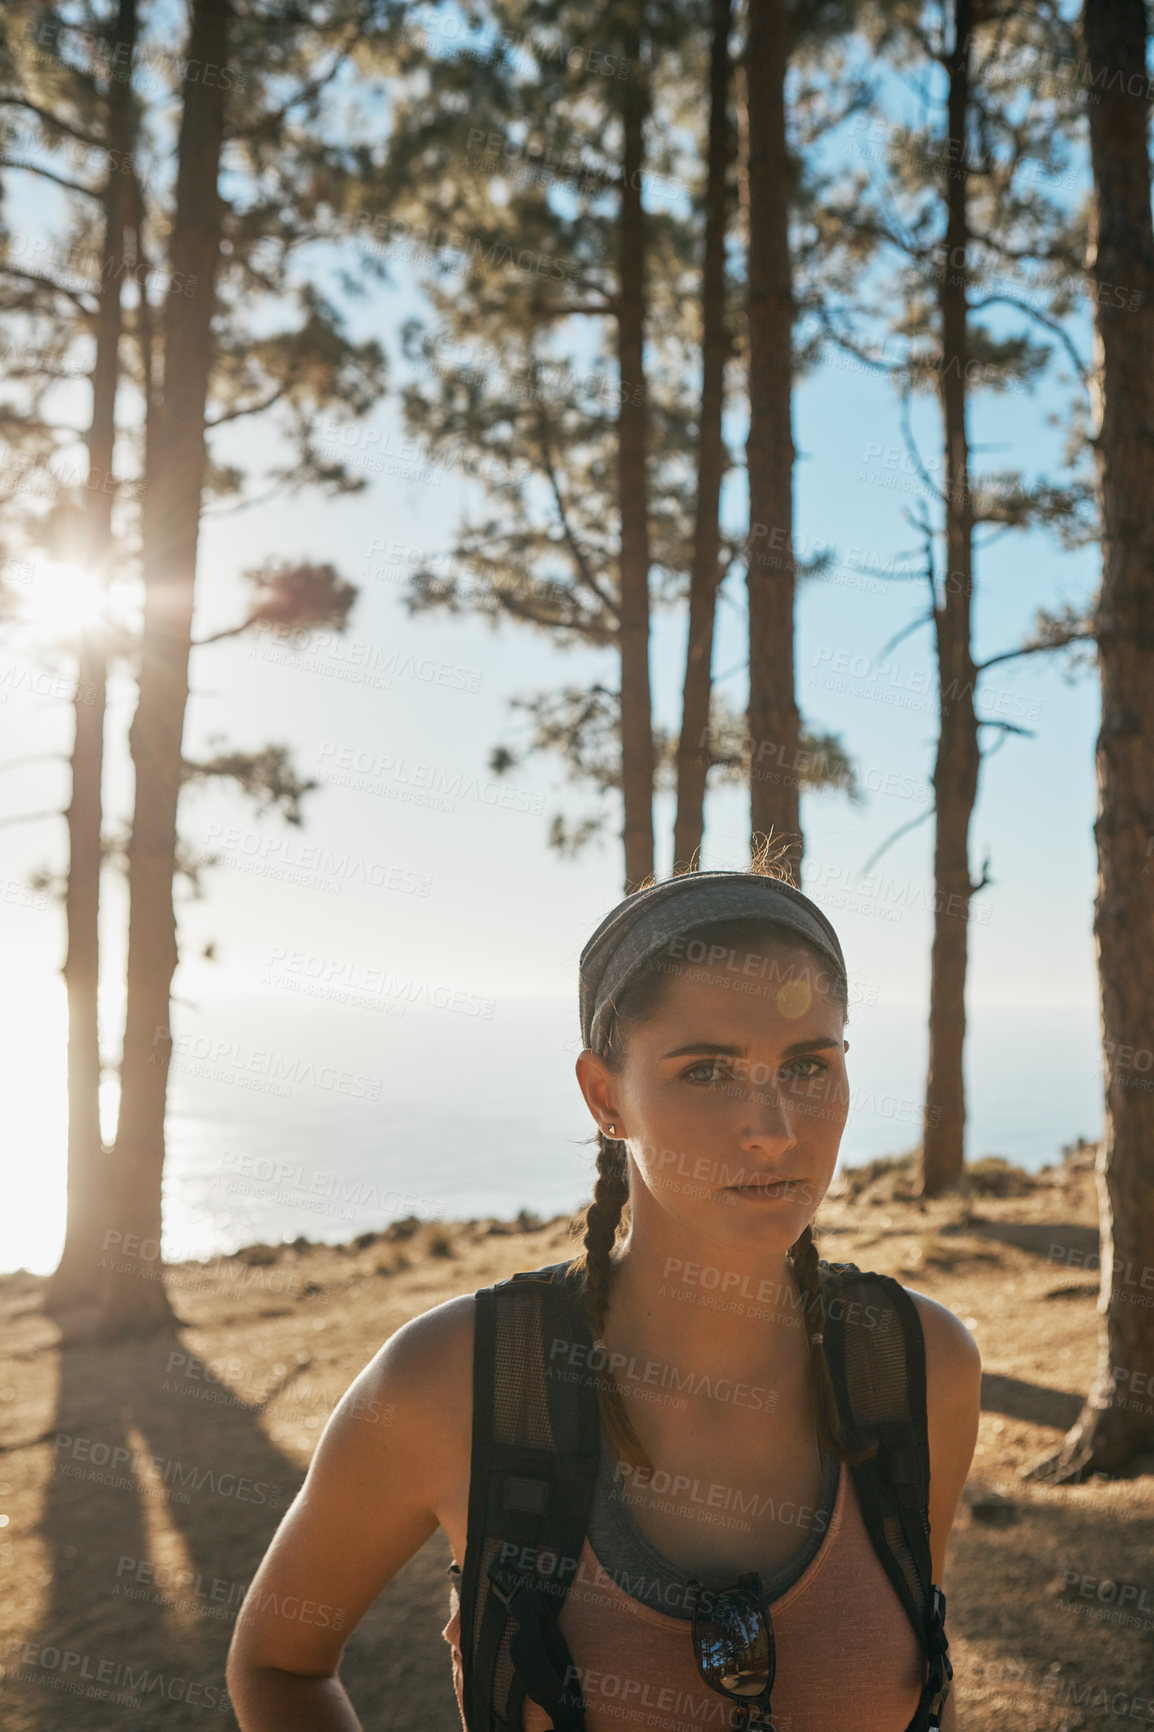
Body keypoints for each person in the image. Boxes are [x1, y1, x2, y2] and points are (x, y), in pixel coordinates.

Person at [227, 864, 982, 1731]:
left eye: (809, 1065)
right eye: (708, 1072)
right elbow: (279, 1665)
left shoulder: (919, 1368)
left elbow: (925, 1672)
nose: (773, 1128)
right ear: (603, 1095)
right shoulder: (456, 1382)